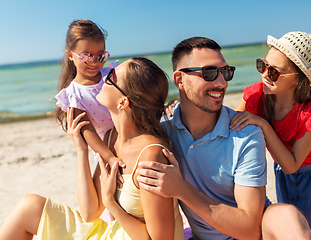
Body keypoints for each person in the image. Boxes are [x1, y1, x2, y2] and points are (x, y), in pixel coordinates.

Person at [136, 36, 311, 240]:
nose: (222, 83)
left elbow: (249, 229)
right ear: (180, 81)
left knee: (285, 215)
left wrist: (181, 189)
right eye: (210, 73)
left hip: (255, 233)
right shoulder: (162, 128)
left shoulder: (245, 134)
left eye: (225, 72)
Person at [0, 57, 184, 240]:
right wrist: (82, 150)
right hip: (114, 234)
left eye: (111, 75)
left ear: (122, 102)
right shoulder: (112, 137)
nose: (103, 76)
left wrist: (111, 204)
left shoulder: (150, 156)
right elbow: (90, 212)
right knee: (29, 207)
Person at [229, 31, 311, 240]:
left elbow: (292, 164)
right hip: (287, 175)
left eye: (274, 72)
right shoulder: (256, 95)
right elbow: (226, 126)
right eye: (262, 65)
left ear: (299, 78)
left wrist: (263, 124)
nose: (264, 74)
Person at [54, 19, 124, 169]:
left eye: (100, 56)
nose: (94, 62)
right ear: (70, 55)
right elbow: (89, 131)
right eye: (86, 57)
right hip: (106, 150)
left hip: (130, 137)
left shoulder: (112, 75)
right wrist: (110, 158)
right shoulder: (74, 95)